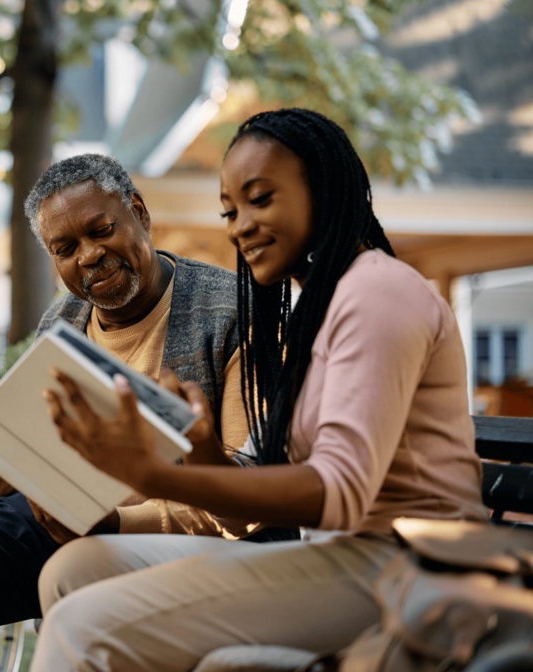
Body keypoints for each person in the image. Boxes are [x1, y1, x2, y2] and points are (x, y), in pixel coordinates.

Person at [31, 109, 489, 671]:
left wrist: (154, 475)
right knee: (72, 569)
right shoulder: (317, 310)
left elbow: (337, 492)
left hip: (411, 567)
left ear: (319, 188)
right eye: (230, 210)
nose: (240, 225)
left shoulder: (378, 294)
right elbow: (241, 497)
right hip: (339, 556)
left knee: (85, 626)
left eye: (261, 198)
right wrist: (199, 454)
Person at [0, 154, 293, 672]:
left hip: (206, 533)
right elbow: (13, 479)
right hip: (78, 517)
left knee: (86, 565)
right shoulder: (64, 319)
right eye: (65, 248)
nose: (89, 256)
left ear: (139, 214)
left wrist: (115, 523)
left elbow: (249, 490)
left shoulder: (237, 310)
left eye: (101, 230)